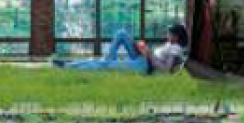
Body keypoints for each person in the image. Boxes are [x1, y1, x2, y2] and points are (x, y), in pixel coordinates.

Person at [59, 22, 189, 75]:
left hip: (144, 65)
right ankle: (108, 59)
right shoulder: (170, 45)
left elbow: (166, 70)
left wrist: (149, 54)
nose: (167, 35)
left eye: (169, 34)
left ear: (176, 37)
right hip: (142, 58)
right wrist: (143, 49)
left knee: (104, 65)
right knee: (121, 33)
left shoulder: (176, 49)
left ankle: (68, 66)